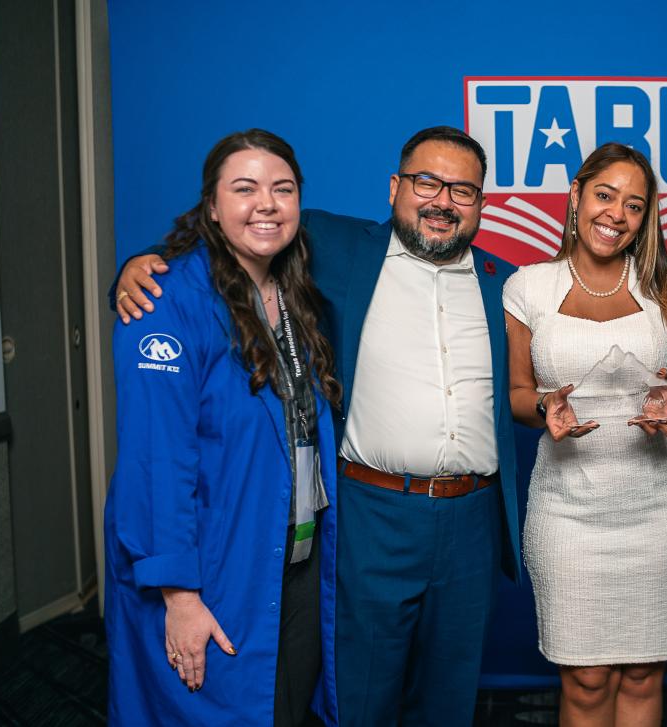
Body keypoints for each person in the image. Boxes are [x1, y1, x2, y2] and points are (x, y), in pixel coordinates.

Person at [113, 126, 520, 726]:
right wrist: (136, 267)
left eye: (463, 190)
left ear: (481, 203)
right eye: (427, 181)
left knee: (450, 694)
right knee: (361, 693)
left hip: (470, 520)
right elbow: (239, 234)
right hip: (373, 513)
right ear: (395, 188)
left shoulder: (506, 281)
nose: (443, 200)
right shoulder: (338, 245)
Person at [105, 129, 341, 725]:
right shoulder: (165, 300)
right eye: (245, 188)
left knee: (284, 707)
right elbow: (156, 459)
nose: (266, 203)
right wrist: (180, 597)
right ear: (211, 206)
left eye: (282, 189)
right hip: (213, 567)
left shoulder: (297, 297)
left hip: (296, 558)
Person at [504, 143, 667, 726]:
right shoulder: (529, 287)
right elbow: (517, 394)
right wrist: (546, 405)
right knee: (587, 679)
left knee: (644, 674)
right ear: (576, 195)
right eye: (604, 195)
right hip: (568, 512)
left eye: (634, 205)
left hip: (660, 507)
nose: (616, 214)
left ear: (647, 218)